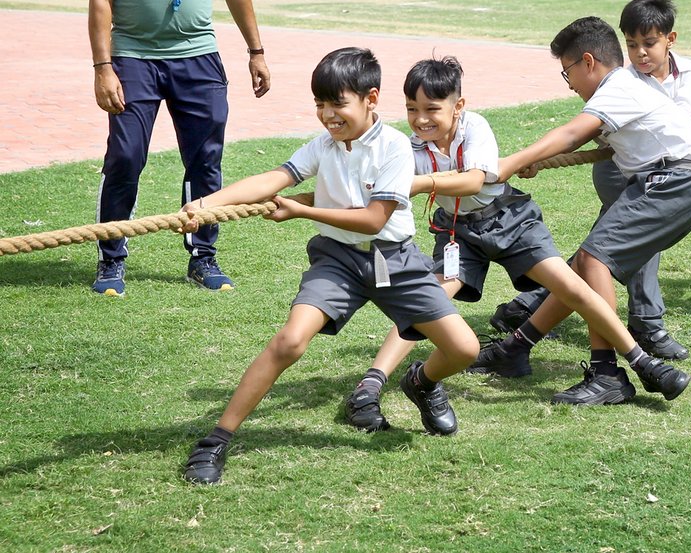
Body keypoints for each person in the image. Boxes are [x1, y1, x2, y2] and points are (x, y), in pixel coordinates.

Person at [180, 48, 479, 485]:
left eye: (338, 103)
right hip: (337, 260)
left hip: (395, 261)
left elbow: (374, 219)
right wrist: (207, 204)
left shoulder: (396, 146)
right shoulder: (323, 145)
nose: (327, 115)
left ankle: (421, 383)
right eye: (320, 104)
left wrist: (303, 212)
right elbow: (275, 179)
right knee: (289, 342)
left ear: (370, 98)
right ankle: (216, 441)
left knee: (464, 350)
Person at [343, 57, 688, 428]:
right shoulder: (407, 147)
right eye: (412, 109)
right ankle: (370, 384)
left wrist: (420, 183)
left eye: (432, 109)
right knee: (429, 300)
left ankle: (643, 363)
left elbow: (474, 182)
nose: (421, 119)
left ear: (458, 106)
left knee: (571, 284)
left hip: (510, 219)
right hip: (456, 231)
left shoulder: (476, 127)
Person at [466, 17, 691, 405]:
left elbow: (572, 132)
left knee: (593, 261)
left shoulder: (619, 86)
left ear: (588, 61)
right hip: (671, 183)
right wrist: (540, 159)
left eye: (568, 74)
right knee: (580, 268)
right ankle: (515, 349)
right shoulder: (631, 86)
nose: (571, 85)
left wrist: (509, 163)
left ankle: (607, 373)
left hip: (671, 182)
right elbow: (579, 139)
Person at [89, 0, 271, 297]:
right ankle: (111, 259)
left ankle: (203, 257)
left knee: (206, 160)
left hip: (198, 58)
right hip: (133, 57)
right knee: (126, 157)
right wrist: (103, 66)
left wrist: (256, 50)